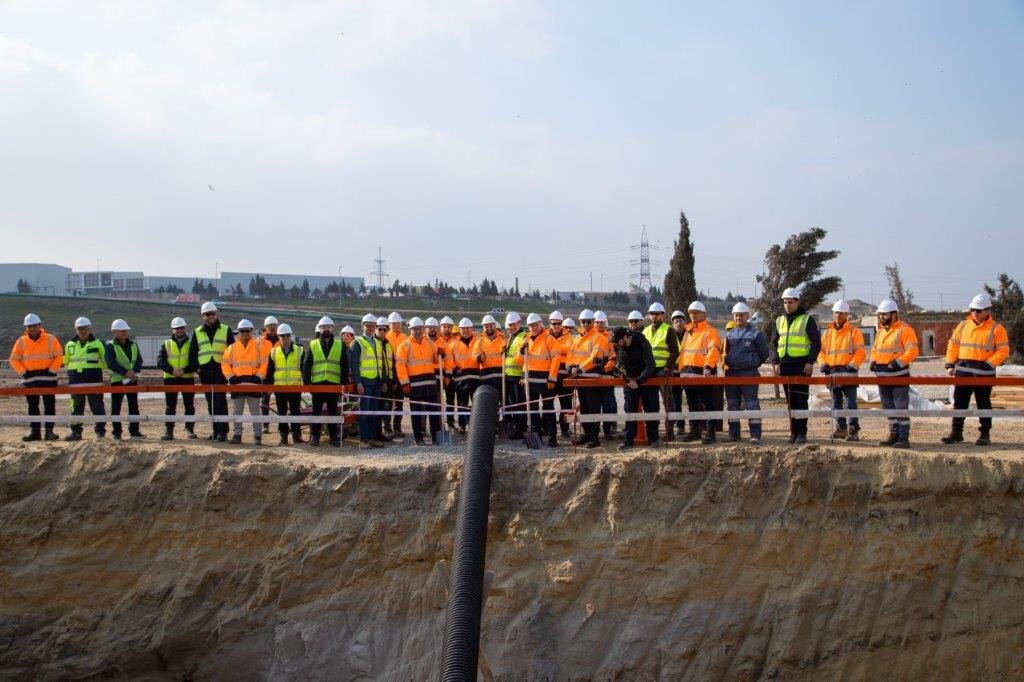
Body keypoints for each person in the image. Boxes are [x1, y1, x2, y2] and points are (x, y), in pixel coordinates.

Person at [942, 293, 1010, 446]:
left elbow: (1003, 350)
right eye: (972, 310)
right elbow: (953, 345)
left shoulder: (996, 329)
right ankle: (956, 432)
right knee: (959, 403)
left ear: (987, 311)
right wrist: (950, 363)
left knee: (983, 404)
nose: (974, 313)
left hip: (984, 372)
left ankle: (985, 434)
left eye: (978, 310)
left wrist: (990, 364)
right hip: (963, 370)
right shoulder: (963, 325)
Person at [770, 287, 821, 444]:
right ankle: (793, 433)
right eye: (785, 302)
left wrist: (810, 362)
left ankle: (802, 433)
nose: (787, 305)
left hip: (801, 366)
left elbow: (816, 343)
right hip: (785, 365)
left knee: (801, 400)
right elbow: (774, 343)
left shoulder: (807, 319)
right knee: (791, 402)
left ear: (797, 302)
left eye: (790, 302)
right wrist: (775, 361)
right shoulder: (780, 321)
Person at [870, 299, 919, 448]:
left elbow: (913, 351)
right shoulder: (880, 331)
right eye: (880, 315)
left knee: (900, 407)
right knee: (889, 407)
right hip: (882, 376)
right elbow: (875, 350)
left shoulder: (905, 329)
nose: (882, 317)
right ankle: (894, 434)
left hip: (898, 376)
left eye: (884, 314)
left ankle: (903, 437)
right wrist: (873, 361)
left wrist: (897, 363)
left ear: (893, 314)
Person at [8, 313, 62, 441]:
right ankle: (35, 432)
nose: (32, 328)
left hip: (48, 379)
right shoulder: (21, 341)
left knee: (49, 405)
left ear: (40, 325)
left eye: (34, 325)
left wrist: (52, 370)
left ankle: (49, 432)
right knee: (32, 406)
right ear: (26, 327)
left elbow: (59, 356)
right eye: (29, 326)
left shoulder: (51, 339)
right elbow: (14, 359)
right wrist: (23, 372)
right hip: (30, 379)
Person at [818, 300, 866, 441]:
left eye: (841, 313)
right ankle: (841, 428)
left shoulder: (854, 331)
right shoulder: (827, 334)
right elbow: (821, 351)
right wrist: (823, 363)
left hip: (849, 374)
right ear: (833, 314)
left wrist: (853, 365)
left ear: (847, 315)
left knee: (851, 402)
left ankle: (853, 429)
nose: (838, 315)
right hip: (832, 374)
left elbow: (860, 352)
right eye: (836, 312)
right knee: (836, 403)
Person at [723, 302, 769, 443]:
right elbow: (726, 352)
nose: (738, 318)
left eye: (741, 315)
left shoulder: (756, 334)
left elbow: (764, 353)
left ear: (747, 316)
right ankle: (734, 434)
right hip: (732, 374)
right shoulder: (730, 334)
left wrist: (752, 363)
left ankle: (755, 435)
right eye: (736, 315)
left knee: (752, 404)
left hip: (749, 374)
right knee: (732, 404)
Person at [189, 301, 234, 441]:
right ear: (203, 316)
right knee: (210, 401)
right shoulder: (197, 332)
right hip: (205, 371)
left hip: (221, 370)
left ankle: (223, 432)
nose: (210, 317)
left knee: (220, 400)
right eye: (207, 314)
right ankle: (215, 430)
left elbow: (233, 351)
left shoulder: (226, 329)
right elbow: (192, 353)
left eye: (212, 314)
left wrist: (229, 370)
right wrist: (197, 369)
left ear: (217, 314)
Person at [678, 302, 722, 444]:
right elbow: (683, 353)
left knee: (708, 403)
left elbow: (713, 350)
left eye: (696, 312)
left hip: (703, 374)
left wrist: (708, 366)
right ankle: (695, 431)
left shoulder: (710, 331)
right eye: (690, 312)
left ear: (704, 314)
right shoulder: (688, 332)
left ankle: (710, 432)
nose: (693, 315)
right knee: (691, 405)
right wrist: (681, 370)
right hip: (688, 373)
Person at [515, 313, 561, 447]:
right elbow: (519, 362)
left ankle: (552, 438)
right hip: (530, 381)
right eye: (531, 326)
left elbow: (556, 360)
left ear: (541, 325)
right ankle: (537, 437)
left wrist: (552, 378)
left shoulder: (549, 339)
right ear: (528, 327)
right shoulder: (525, 340)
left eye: (535, 325)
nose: (533, 328)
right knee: (533, 409)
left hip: (545, 381)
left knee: (548, 409)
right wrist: (521, 353)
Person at [221, 319, 269, 445]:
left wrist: (259, 377)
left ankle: (257, 436)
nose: (245, 333)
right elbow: (225, 364)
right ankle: (237, 435)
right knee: (237, 412)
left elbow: (264, 363)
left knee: (255, 412)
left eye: (248, 330)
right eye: (243, 331)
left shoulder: (259, 346)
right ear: (239, 332)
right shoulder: (231, 348)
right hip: (237, 385)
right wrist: (230, 377)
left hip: (254, 384)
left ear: (252, 331)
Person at [302, 315, 347, 447]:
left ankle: (333, 437)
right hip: (318, 384)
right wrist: (306, 381)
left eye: (328, 327)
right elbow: (307, 364)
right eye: (323, 327)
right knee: (316, 411)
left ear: (332, 328)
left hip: (333, 384)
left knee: (333, 411)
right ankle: (315, 437)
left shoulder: (340, 345)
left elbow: (344, 365)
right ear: (319, 329)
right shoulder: (313, 344)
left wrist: (343, 383)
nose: (325, 329)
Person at [395, 317, 441, 445]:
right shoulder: (404, 346)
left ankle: (435, 437)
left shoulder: (430, 343)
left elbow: (436, 361)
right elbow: (400, 366)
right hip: (414, 385)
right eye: (415, 329)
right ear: (410, 330)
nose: (418, 331)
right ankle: (418, 438)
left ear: (423, 329)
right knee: (416, 413)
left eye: (420, 328)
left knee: (434, 412)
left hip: (430, 383)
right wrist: (404, 382)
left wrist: (439, 355)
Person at [611, 326, 658, 449]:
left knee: (651, 409)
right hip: (630, 381)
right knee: (630, 410)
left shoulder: (642, 342)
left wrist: (639, 381)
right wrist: (621, 371)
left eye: (618, 341)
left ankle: (654, 439)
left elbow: (650, 365)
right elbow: (620, 362)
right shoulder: (618, 346)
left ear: (625, 337)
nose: (616, 344)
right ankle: (628, 440)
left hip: (646, 380)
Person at [566, 309, 607, 448]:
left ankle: (594, 438)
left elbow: (595, 358)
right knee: (584, 408)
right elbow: (570, 354)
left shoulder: (598, 337)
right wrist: (569, 367)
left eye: (588, 321)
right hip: (581, 378)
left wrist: (579, 369)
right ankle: (586, 434)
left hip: (592, 379)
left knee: (593, 408)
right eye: (583, 321)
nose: (585, 324)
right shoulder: (578, 338)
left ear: (593, 322)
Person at [63, 317, 107, 440]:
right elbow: (67, 362)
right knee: (76, 408)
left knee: (97, 407)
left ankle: (100, 432)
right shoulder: (69, 345)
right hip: (76, 382)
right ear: (76, 329)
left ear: (90, 328)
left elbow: (105, 362)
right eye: (80, 328)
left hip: (94, 381)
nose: (83, 331)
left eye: (85, 328)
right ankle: (76, 432)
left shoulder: (98, 344)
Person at [105, 319, 145, 440]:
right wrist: (125, 372)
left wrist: (134, 371)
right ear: (115, 332)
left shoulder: (133, 344)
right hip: (117, 381)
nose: (124, 333)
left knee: (134, 406)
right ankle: (117, 432)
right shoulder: (110, 346)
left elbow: (139, 360)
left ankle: (134, 431)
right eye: (121, 331)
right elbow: (110, 363)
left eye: (125, 330)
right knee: (116, 407)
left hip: (132, 380)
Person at [157, 317, 197, 441]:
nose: (180, 330)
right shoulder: (166, 344)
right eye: (177, 328)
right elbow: (160, 361)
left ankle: (189, 429)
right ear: (173, 330)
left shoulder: (191, 344)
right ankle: (169, 430)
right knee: (170, 406)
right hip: (170, 378)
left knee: (189, 405)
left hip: (187, 377)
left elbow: (195, 362)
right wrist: (172, 371)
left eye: (182, 328)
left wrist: (184, 371)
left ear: (185, 329)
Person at [350, 314, 386, 448]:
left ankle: (371, 438)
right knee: (364, 411)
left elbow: (380, 363)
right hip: (365, 383)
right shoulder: (357, 343)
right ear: (363, 326)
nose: (371, 328)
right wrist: (358, 383)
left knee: (373, 411)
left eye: (373, 326)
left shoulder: (377, 342)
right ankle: (363, 440)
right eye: (368, 325)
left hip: (376, 382)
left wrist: (382, 381)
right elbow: (354, 366)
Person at [267, 323, 305, 445]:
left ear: (291, 336)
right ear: (278, 337)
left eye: (287, 335)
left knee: (295, 412)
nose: (285, 338)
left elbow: (304, 369)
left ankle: (296, 436)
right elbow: (270, 371)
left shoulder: (300, 351)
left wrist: (305, 384)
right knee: (282, 413)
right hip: (280, 388)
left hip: (295, 387)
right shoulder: (273, 352)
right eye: (282, 336)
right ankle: (283, 437)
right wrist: (269, 386)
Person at [643, 303, 680, 426]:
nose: (654, 316)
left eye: (656, 314)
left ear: (662, 315)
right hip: (650, 369)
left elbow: (675, 351)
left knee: (667, 399)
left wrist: (667, 367)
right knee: (650, 399)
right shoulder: (645, 331)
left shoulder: (668, 329)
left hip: (663, 369)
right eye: (652, 314)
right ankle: (653, 425)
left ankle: (669, 426)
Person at [446, 318, 479, 433]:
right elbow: (449, 360)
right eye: (463, 328)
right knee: (462, 403)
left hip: (476, 378)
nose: (465, 330)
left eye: (467, 328)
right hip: (461, 379)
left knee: (477, 403)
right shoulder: (453, 344)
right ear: (459, 330)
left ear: (472, 329)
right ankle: (462, 425)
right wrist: (454, 368)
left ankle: (476, 426)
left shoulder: (478, 341)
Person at [548, 310, 573, 438]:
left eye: (559, 323)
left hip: (564, 376)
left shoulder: (568, 336)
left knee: (566, 404)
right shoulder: (546, 335)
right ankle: (548, 428)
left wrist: (554, 348)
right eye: (554, 323)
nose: (556, 326)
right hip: (551, 376)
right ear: (550, 324)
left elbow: (569, 349)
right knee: (548, 404)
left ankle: (564, 429)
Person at [503, 312, 528, 439]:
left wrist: (523, 375)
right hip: (510, 376)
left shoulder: (523, 337)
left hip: (518, 376)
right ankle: (516, 427)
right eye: (509, 326)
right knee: (513, 403)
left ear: (519, 323)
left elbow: (523, 359)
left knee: (520, 403)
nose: (511, 327)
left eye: (513, 325)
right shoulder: (511, 337)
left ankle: (521, 428)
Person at [594, 311, 618, 439]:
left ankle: (608, 430)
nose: (598, 324)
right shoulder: (590, 336)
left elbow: (614, 356)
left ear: (605, 323)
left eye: (600, 322)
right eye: (596, 322)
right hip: (593, 376)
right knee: (595, 405)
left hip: (607, 375)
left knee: (608, 404)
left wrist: (609, 366)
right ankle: (595, 431)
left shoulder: (610, 337)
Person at [385, 312, 408, 437]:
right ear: (389, 325)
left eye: (398, 323)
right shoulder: (385, 338)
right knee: (388, 403)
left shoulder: (405, 337)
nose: (396, 325)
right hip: (389, 374)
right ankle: (387, 428)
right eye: (393, 324)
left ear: (401, 324)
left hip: (401, 374)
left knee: (399, 403)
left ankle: (397, 428)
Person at [375, 317, 399, 439]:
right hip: (378, 381)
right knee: (379, 406)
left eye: (385, 329)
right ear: (375, 329)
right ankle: (378, 431)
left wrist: (394, 380)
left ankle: (387, 428)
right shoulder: (374, 343)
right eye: (380, 329)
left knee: (387, 405)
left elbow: (392, 363)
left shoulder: (388, 344)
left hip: (389, 381)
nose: (383, 331)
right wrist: (383, 381)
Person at [669, 309, 690, 438]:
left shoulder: (689, 334)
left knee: (692, 399)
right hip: (675, 372)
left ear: (684, 322)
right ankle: (680, 426)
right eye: (676, 321)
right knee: (676, 401)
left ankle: (697, 426)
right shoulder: (670, 335)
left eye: (681, 320)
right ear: (672, 323)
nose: (679, 323)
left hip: (687, 371)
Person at [473, 314, 506, 392]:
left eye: (491, 326)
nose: (489, 328)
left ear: (495, 325)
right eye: (486, 326)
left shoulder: (503, 339)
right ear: (483, 328)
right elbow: (474, 354)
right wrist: (479, 358)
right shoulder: (480, 341)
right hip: (486, 377)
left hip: (501, 377)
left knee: (504, 401)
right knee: (488, 401)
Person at [259, 316, 282, 418]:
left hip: (279, 374)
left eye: (274, 325)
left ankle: (283, 424)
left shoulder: (283, 339)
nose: (273, 327)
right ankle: (265, 424)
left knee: (281, 400)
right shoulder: (259, 341)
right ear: (266, 327)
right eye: (270, 325)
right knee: (265, 401)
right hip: (265, 375)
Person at [438, 316, 457, 429]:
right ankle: (438, 422)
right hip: (438, 374)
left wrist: (450, 374)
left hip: (451, 374)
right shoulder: (435, 340)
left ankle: (450, 421)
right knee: (437, 400)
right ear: (441, 327)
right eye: (444, 326)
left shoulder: (455, 342)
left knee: (450, 399)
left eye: (449, 327)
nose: (447, 329)